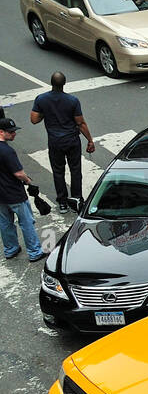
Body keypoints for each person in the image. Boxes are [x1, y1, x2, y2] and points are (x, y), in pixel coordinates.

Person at [30, 73, 94, 214]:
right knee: (75, 170)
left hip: (55, 142)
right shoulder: (72, 100)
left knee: (58, 172)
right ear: (64, 83)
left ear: (51, 83)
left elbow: (34, 119)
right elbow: (81, 123)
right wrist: (90, 140)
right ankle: (77, 199)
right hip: (72, 140)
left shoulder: (42, 99)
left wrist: (45, 112)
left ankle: (63, 202)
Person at [0, 119, 45, 263]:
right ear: (1, 132)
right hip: (14, 194)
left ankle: (10, 249)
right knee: (26, 223)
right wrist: (28, 181)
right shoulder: (7, 151)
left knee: (5, 223)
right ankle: (34, 252)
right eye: (11, 132)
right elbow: (18, 173)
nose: (14, 134)